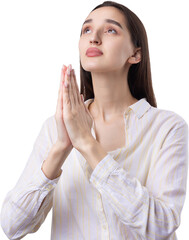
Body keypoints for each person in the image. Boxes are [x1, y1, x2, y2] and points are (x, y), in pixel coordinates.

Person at [1, 1, 188, 239]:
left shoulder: (167, 127)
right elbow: (12, 226)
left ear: (136, 54)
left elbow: (160, 226)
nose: (94, 38)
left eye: (111, 30)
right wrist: (61, 146)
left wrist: (87, 144)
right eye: (86, 30)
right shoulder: (55, 128)